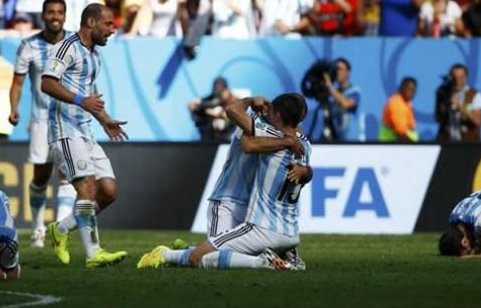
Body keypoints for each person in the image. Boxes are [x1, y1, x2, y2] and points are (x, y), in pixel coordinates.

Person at [138, 93, 312, 271]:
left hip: (254, 211)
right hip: (228, 201)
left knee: (212, 256)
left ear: (278, 115)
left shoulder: (280, 134)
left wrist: (306, 169)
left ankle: (175, 253)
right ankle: (185, 251)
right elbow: (248, 143)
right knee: (213, 255)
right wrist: (251, 102)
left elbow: (253, 132)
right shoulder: (258, 124)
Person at [41, 3, 128, 268]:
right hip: (64, 130)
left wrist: (104, 121)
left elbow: (90, 99)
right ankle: (94, 254)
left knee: (109, 191)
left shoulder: (94, 56)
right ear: (91, 23)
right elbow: (47, 82)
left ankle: (61, 229)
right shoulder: (66, 48)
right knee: (87, 187)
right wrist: (80, 101)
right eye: (108, 24)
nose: (112, 31)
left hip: (85, 130)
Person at [8, 0, 77, 247]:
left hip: (68, 119)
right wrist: (14, 109)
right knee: (41, 176)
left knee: (67, 174)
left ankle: (58, 231)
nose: (55, 16)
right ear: (43, 15)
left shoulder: (75, 43)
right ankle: (38, 227)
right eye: (50, 12)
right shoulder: (29, 46)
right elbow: (17, 82)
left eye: (60, 12)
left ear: (65, 15)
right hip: (40, 120)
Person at [436, 63, 481, 142]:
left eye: (460, 78)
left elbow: (477, 120)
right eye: (454, 78)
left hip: (468, 144)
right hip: (447, 143)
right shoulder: (443, 94)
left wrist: (459, 106)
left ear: (465, 78)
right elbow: (438, 118)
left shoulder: (474, 95)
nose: (457, 81)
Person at [322, 57, 362, 141]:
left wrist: (329, 85)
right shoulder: (332, 93)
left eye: (339, 69)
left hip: (351, 141)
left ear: (348, 72)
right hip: (335, 139)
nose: (337, 72)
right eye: (335, 69)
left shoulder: (354, 91)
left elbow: (346, 104)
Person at [188, 76, 236, 143]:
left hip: (226, 138)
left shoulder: (232, 101)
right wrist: (209, 112)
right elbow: (193, 108)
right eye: (216, 86)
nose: (218, 88)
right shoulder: (206, 100)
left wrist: (226, 103)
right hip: (208, 138)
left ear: (226, 89)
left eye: (221, 86)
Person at [379, 76, 418, 142]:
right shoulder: (396, 103)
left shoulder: (407, 103)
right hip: (394, 146)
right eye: (409, 89)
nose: (412, 93)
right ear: (402, 88)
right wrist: (413, 147)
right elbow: (400, 132)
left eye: (414, 91)